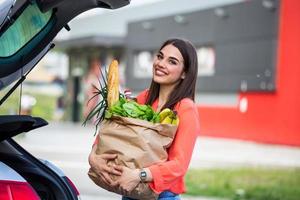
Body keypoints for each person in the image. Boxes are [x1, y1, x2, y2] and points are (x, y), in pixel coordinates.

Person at [88, 38, 200, 200]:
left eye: (172, 61)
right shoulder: (145, 97)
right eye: (160, 56)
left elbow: (179, 165)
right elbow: (115, 128)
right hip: (132, 192)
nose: (161, 63)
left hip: (161, 195)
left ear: (184, 73)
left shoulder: (186, 109)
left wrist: (137, 175)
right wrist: (93, 156)